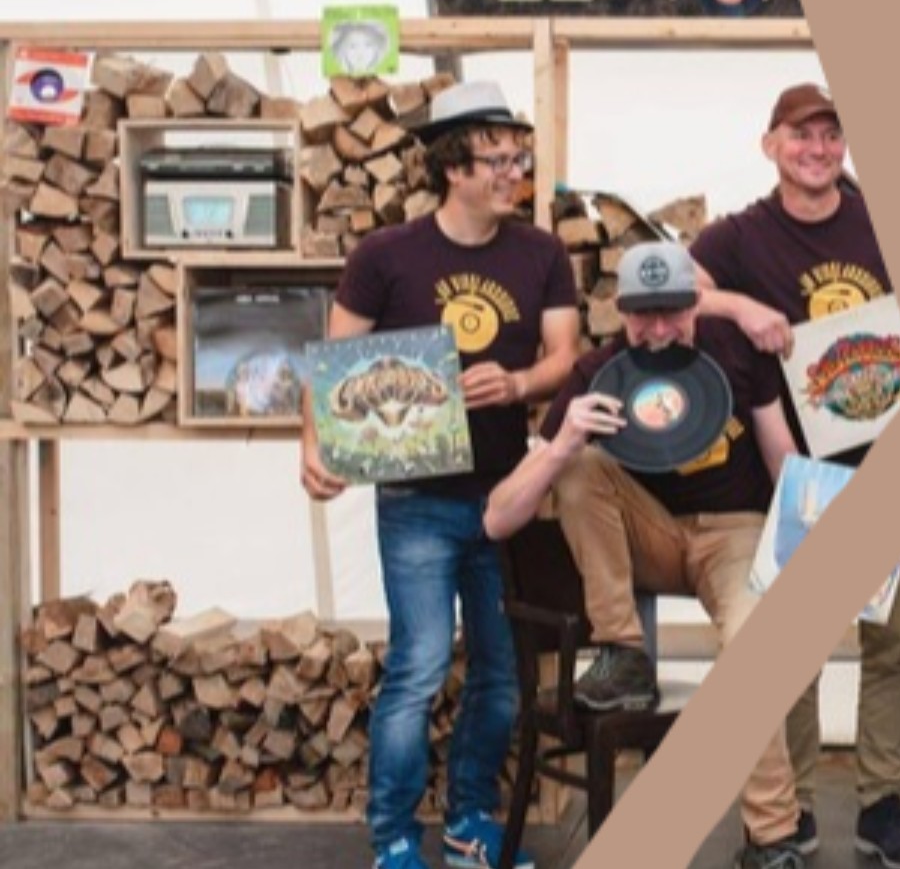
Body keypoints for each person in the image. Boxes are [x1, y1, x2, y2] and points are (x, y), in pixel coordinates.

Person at [300, 80, 581, 869]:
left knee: (502, 674)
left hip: (506, 498)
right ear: (454, 167)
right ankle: (393, 837)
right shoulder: (385, 256)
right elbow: (334, 365)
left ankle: (469, 824)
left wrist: (518, 383)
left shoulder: (541, 253)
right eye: (498, 160)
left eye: (518, 157)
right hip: (416, 500)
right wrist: (313, 446)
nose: (514, 172)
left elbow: (565, 356)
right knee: (419, 668)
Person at [481, 241, 812, 869]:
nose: (659, 331)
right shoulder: (597, 372)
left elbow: (783, 459)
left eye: (673, 312)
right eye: (643, 315)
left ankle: (773, 837)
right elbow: (497, 518)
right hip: (651, 533)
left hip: (735, 533)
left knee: (753, 648)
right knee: (579, 466)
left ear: (697, 304)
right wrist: (562, 442)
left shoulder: (737, 351)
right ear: (619, 311)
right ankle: (624, 654)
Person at [688, 82, 900, 869]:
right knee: (791, 650)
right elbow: (675, 290)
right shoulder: (739, 235)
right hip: (791, 477)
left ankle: (882, 805)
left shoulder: (886, 225)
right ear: (771, 146)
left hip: (893, 464)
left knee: (890, 647)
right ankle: (789, 805)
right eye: (802, 135)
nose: (818, 149)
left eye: (831, 135)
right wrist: (738, 307)